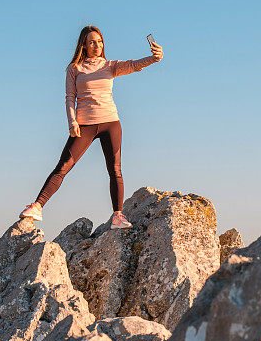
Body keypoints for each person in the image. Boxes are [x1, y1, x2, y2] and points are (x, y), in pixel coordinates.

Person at [19, 25, 163, 229]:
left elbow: (134, 64)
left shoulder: (110, 66)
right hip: (84, 125)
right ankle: (37, 206)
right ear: (84, 46)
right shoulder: (74, 69)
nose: (97, 45)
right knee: (63, 166)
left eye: (100, 41)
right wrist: (72, 122)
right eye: (92, 42)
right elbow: (70, 97)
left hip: (110, 123)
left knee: (115, 170)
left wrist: (155, 58)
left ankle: (118, 216)